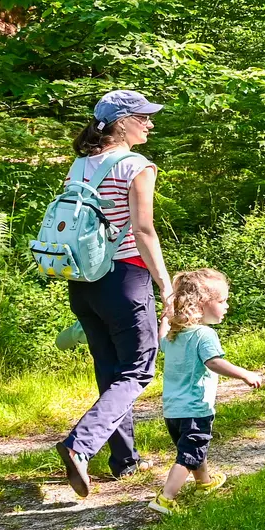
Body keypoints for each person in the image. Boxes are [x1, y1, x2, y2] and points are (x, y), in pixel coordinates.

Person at [56, 90, 172, 498]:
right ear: (122, 123)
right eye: (143, 117)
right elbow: (143, 230)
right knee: (139, 368)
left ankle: (124, 460)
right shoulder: (136, 165)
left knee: (110, 369)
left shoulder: (80, 163)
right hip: (124, 277)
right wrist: (166, 283)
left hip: (83, 280)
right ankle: (80, 444)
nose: (150, 125)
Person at [149, 268, 263, 516]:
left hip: (172, 410)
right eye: (222, 301)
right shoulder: (204, 334)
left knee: (192, 449)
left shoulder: (175, 334)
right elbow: (213, 362)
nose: (227, 306)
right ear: (202, 304)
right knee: (188, 455)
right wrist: (244, 373)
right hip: (195, 409)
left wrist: (165, 318)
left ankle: (204, 482)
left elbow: (160, 341)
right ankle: (166, 498)